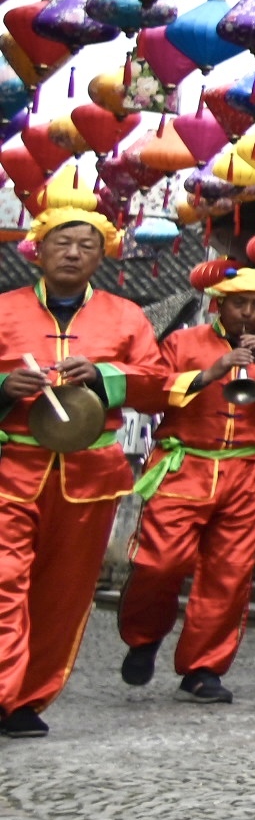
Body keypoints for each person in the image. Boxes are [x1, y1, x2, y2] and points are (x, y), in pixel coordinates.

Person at [0, 174, 166, 734]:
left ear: (102, 255)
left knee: (63, 591)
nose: (72, 253)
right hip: (12, 467)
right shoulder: (5, 309)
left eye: (86, 245)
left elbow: (158, 382)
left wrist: (105, 376)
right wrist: (3, 391)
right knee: (4, 579)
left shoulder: (127, 317)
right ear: (37, 250)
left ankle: (27, 698)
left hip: (90, 473)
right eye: (61, 243)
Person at [116, 266, 255, 702]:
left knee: (229, 574)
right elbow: (147, 391)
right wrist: (210, 373)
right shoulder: (181, 343)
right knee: (159, 563)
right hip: (184, 464)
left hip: (247, 473)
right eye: (239, 303)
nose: (248, 312)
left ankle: (203, 668)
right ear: (219, 304)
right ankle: (144, 635)